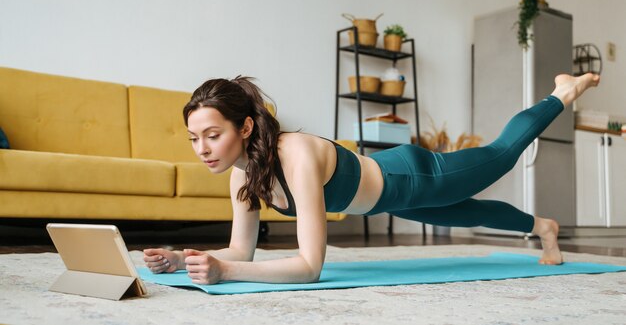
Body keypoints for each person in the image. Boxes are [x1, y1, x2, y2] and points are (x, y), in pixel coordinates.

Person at [144, 73, 600, 285]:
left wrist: (227, 272)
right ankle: (544, 228)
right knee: (472, 213)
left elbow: (309, 267)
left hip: (412, 176)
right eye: (193, 139)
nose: (202, 149)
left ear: (244, 128)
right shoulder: (244, 176)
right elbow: (242, 250)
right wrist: (186, 259)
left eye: (212, 135)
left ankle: (561, 91)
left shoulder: (295, 153)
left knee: (500, 155)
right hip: (388, 200)